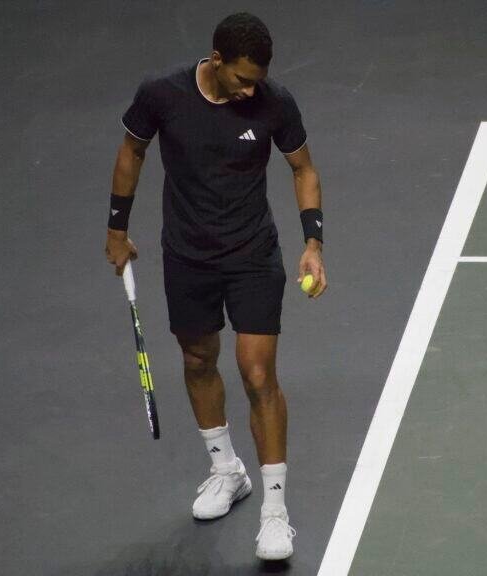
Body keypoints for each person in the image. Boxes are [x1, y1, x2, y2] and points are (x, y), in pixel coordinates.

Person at [104, 12, 326, 561]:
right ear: (217, 59)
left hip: (253, 256)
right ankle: (227, 470)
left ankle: (275, 512)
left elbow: (303, 168)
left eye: (258, 81)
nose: (251, 90)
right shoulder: (162, 95)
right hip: (187, 256)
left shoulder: (275, 103)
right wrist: (116, 230)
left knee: (258, 374)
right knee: (198, 359)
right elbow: (132, 151)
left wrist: (313, 242)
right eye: (242, 79)